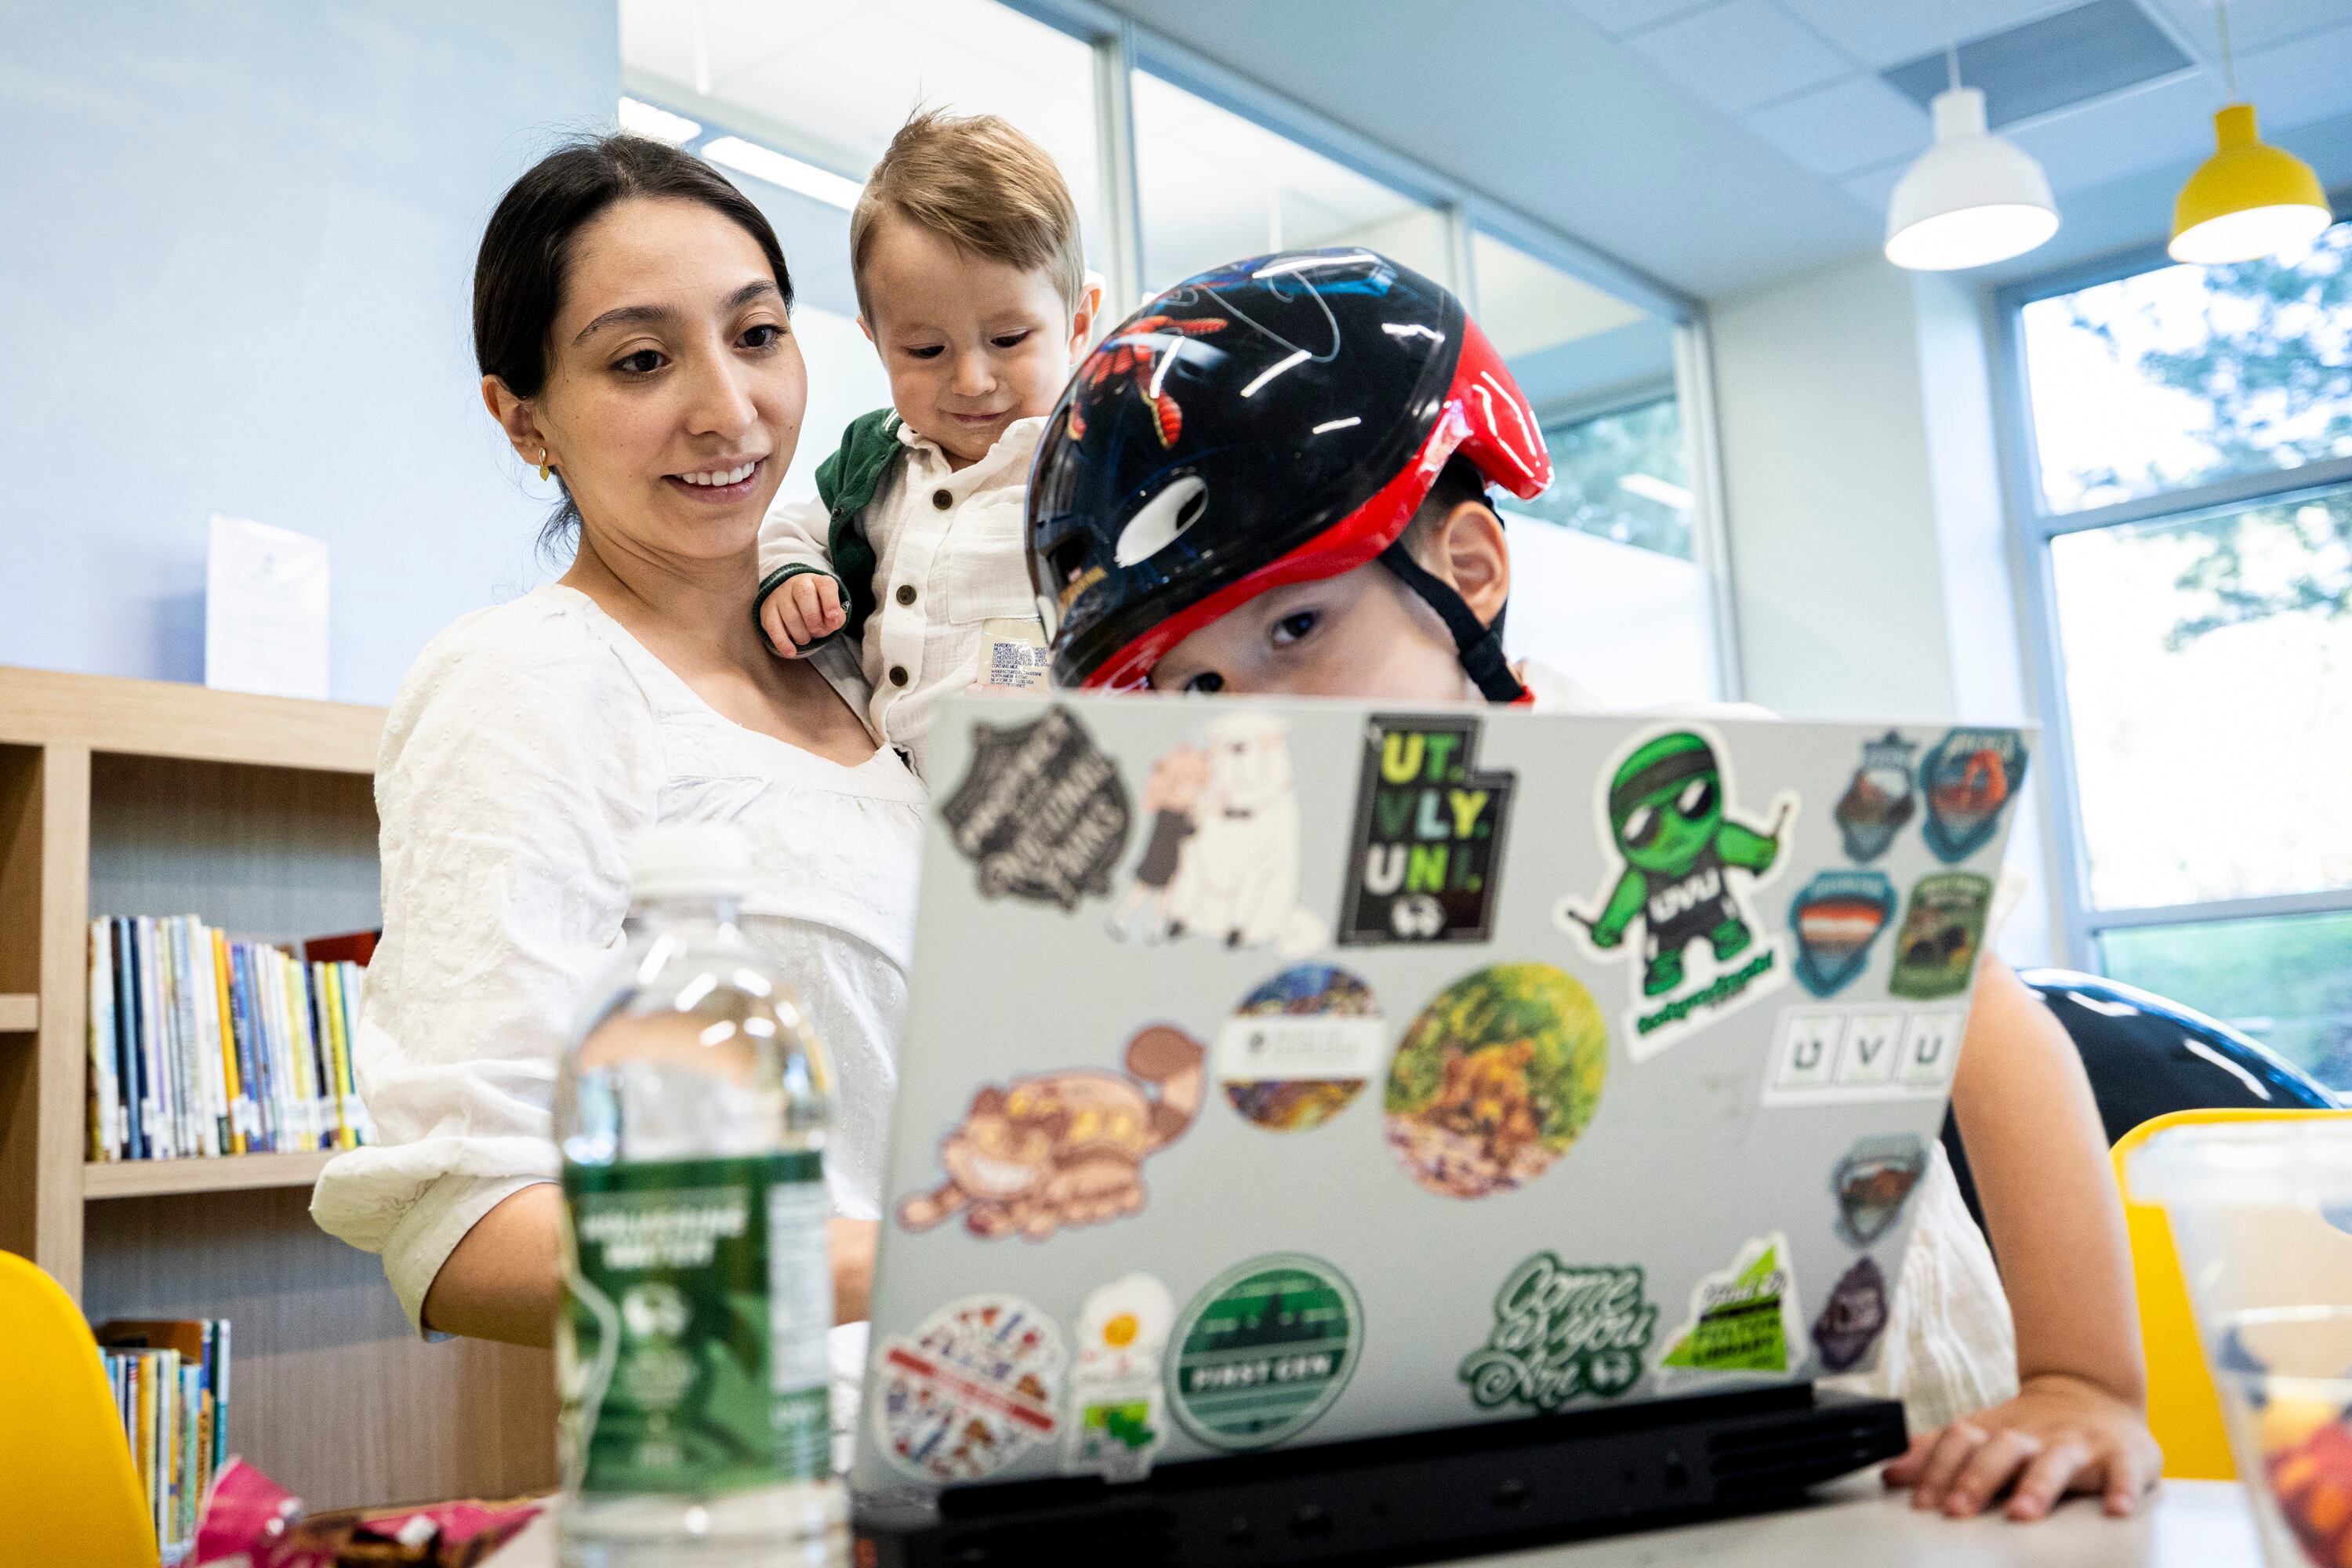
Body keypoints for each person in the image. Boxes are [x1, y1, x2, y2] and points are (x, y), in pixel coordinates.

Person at [1025, 249, 2162, 1523]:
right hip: (1590, 1486)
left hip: (1922, 1461)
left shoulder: (1697, 774)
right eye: (1195, 688)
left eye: (1297, 630)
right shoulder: (1258, 909)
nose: (1256, 722)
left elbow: (1983, 1022)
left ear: (1467, 575)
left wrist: (2082, 1380)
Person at [310, 135, 921, 1354]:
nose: (728, 408)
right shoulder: (528, 683)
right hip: (784, 1467)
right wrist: (920, 1264)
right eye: (642, 361)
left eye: (757, 335)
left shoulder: (874, 662)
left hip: (1047, 1413)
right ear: (522, 417)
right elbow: (467, 1229)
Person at [752, 111, 1102, 778]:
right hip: (889, 788)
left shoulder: (1085, 464)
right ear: (876, 343)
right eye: (926, 350)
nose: (972, 380)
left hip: (1042, 783)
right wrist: (795, 580)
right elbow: (794, 531)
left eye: (1008, 340)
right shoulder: (879, 462)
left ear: (1077, 321)